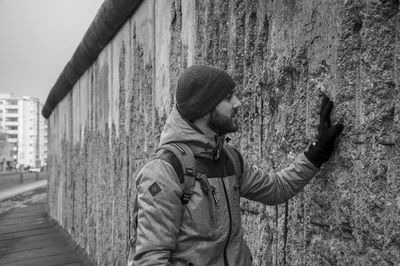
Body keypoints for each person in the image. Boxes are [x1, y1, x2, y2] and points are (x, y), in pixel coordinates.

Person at [128, 65, 343, 265]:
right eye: (228, 98)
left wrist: (317, 152)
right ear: (204, 108)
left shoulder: (228, 158)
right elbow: (151, 260)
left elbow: (276, 189)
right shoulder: (164, 173)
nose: (238, 103)